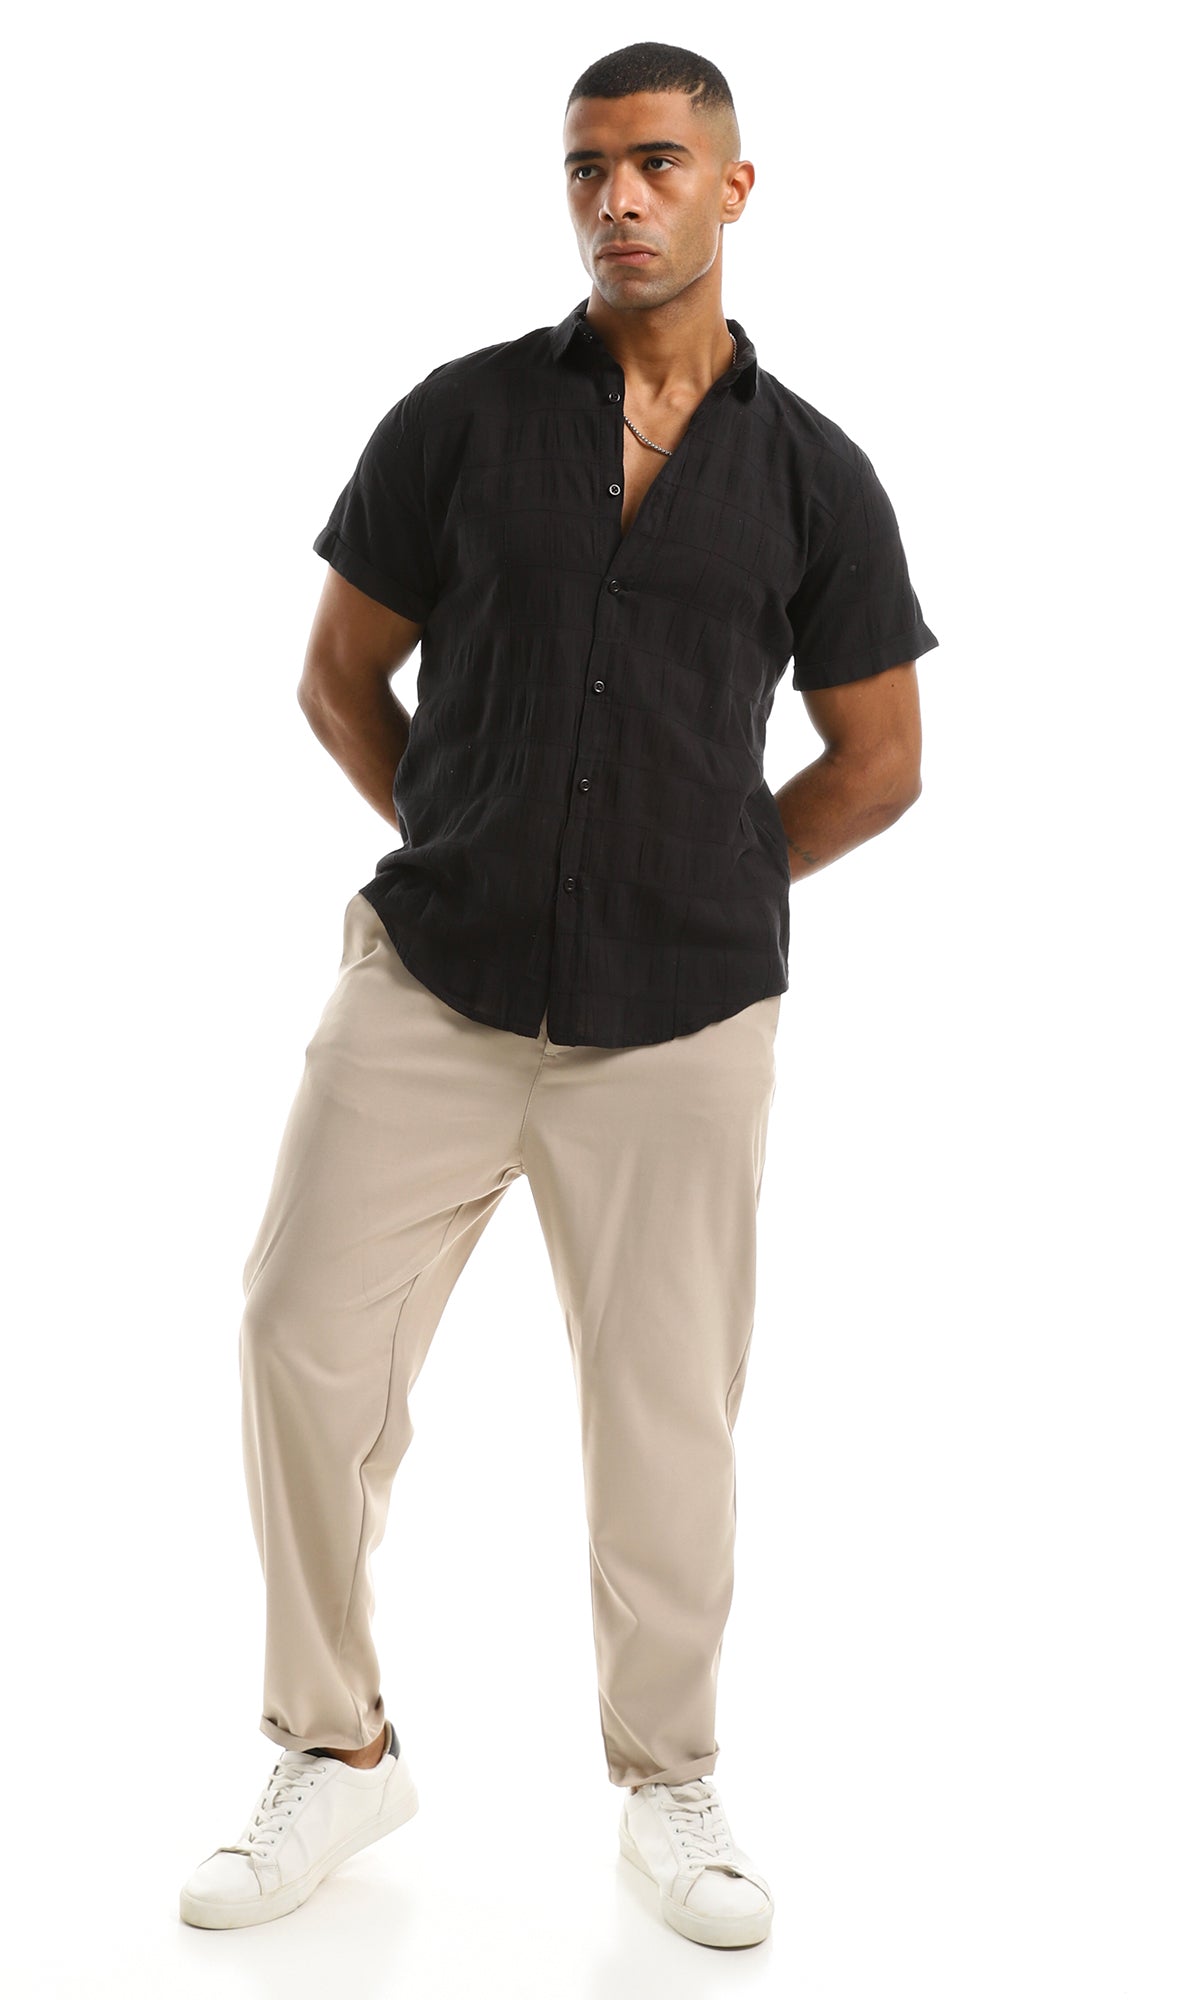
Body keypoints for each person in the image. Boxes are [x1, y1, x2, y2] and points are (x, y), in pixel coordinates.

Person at [179, 39, 938, 1951]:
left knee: (666, 1416)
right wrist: (471, 832)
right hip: (431, 988)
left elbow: (880, 763)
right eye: (590, 165)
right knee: (294, 1333)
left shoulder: (814, 474)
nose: (620, 197)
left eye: (659, 163)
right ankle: (336, 1748)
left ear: (734, 189)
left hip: (681, 1023)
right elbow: (338, 676)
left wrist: (703, 877)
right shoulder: (459, 420)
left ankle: (669, 1782)